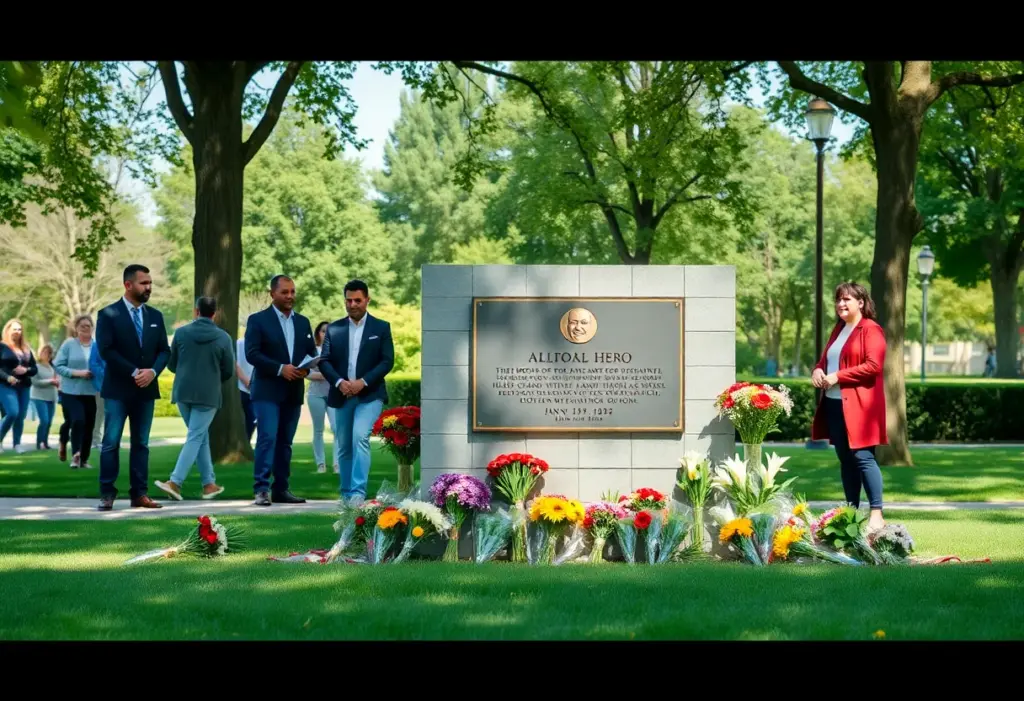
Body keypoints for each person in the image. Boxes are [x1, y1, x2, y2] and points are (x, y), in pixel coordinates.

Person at [810, 281, 887, 532]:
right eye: (839, 299)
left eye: (847, 299)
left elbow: (873, 366)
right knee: (845, 459)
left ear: (861, 303)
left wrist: (837, 376)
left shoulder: (871, 330)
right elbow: (825, 360)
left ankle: (876, 513)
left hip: (860, 408)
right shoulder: (839, 329)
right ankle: (851, 512)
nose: (841, 304)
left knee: (863, 457)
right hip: (834, 405)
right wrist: (819, 370)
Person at [95, 264, 170, 511]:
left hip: (146, 390)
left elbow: (164, 351)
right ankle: (107, 493)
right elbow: (106, 350)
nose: (149, 287)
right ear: (128, 285)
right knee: (111, 442)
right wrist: (133, 371)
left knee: (141, 444)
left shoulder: (156, 316)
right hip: (117, 390)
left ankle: (140, 495)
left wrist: (153, 372)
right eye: (144, 283)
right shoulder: (108, 315)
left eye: (150, 283)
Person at [319, 280, 394, 504]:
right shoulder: (334, 329)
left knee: (360, 436)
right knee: (343, 443)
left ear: (367, 300)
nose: (352, 304)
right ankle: (345, 492)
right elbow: (324, 361)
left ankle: (358, 492)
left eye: (357, 300)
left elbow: (387, 361)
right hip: (341, 394)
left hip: (369, 395)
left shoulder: (381, 327)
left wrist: (363, 382)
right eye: (349, 300)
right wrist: (340, 382)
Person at [244, 275, 316, 506]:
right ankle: (261, 489)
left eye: (293, 291)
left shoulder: (303, 322)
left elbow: (309, 354)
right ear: (272, 293)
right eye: (285, 292)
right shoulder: (257, 320)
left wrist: (305, 369)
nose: (290, 296)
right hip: (267, 390)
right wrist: (279, 369)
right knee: (267, 438)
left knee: (286, 442)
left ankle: (281, 489)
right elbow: (252, 353)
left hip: (293, 390)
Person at [154, 296, 234, 501]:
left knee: (199, 436)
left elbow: (172, 364)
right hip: (208, 394)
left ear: (196, 311)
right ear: (214, 313)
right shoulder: (223, 337)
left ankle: (209, 484)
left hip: (183, 392)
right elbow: (228, 370)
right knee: (196, 436)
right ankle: (175, 482)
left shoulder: (181, 333)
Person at [54, 315, 100, 468]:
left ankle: (84, 459)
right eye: (82, 326)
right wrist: (78, 373)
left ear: (93, 328)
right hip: (70, 392)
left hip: (90, 391)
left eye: (88, 325)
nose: (86, 328)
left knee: (89, 426)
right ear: (76, 328)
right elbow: (58, 365)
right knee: (78, 420)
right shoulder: (69, 345)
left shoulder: (97, 346)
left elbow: (104, 366)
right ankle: (75, 455)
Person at [0, 319, 38, 454]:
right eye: (14, 329)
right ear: (8, 330)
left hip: (24, 386)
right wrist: (8, 377)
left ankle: (17, 444)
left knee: (21, 416)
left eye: (19, 329)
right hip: (6, 385)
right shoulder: (2, 346)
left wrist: (26, 370)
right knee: (12, 412)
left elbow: (34, 369)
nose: (17, 332)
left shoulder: (26, 349)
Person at [306, 320, 339, 475]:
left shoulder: (337, 350)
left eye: (329, 330)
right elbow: (305, 373)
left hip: (333, 394)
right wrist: (325, 375)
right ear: (318, 333)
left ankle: (337, 464)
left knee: (336, 429)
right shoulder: (313, 352)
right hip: (315, 395)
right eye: (323, 331)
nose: (326, 333)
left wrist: (329, 375)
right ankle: (321, 464)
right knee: (318, 430)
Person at [30, 343, 60, 451]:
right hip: (39, 397)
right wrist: (50, 381)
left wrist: (57, 382)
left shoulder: (53, 367)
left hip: (51, 397)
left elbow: (57, 379)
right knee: (44, 420)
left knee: (49, 422)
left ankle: (45, 442)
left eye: (48, 353)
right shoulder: (36, 366)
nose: (46, 354)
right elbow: (35, 382)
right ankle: (39, 443)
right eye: (44, 352)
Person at [236, 321, 256, 442]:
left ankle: (246, 443)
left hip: (256, 387)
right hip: (241, 387)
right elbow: (235, 363)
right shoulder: (239, 343)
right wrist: (246, 381)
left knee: (253, 419)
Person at [89, 331, 106, 447]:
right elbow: (93, 364)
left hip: (117, 386)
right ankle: (96, 440)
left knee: (114, 414)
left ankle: (109, 439)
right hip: (101, 385)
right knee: (100, 413)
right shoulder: (97, 344)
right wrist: (105, 374)